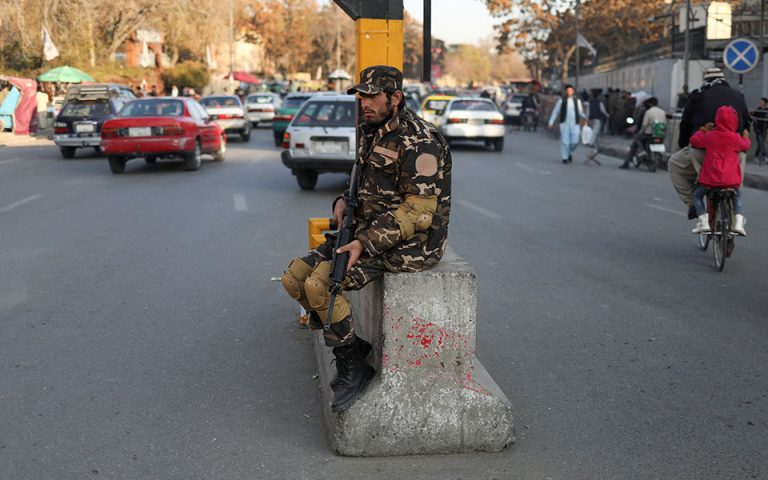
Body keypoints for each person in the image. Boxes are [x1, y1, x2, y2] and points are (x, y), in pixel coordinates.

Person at [279, 65, 452, 413]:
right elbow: (362, 181)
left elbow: (418, 213)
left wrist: (364, 243)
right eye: (362, 95)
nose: (364, 102)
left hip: (410, 245)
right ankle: (352, 346)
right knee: (295, 277)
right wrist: (343, 200)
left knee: (320, 287)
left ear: (395, 98)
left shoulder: (419, 141)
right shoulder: (372, 129)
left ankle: (352, 366)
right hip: (365, 229)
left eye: (372, 95)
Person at [668, 67, 750, 220]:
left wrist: (683, 145)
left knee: (674, 164)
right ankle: (734, 219)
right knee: (736, 182)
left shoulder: (697, 96)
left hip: (701, 149)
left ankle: (693, 203)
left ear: (706, 80)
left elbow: (685, 125)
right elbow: (746, 123)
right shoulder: (738, 96)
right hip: (734, 152)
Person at [689, 106, 750, 236]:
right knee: (737, 196)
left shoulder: (710, 135)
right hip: (730, 179)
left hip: (710, 179)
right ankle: (738, 223)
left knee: (697, 195)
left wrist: (703, 130)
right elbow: (745, 146)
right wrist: (746, 137)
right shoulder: (735, 138)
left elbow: (694, 141)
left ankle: (704, 222)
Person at [620, 97, 666, 169]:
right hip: (659, 134)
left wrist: (640, 132)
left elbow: (644, 125)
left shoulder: (648, 112)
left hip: (648, 134)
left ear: (650, 103)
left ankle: (628, 161)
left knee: (635, 142)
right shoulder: (662, 112)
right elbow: (664, 123)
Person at [547, 84, 586, 163]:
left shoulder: (577, 101)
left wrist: (584, 117)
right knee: (565, 142)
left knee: (575, 141)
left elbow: (580, 111)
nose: (569, 92)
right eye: (568, 91)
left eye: (571, 90)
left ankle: (569, 152)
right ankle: (564, 158)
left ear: (573, 91)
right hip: (564, 123)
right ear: (566, 92)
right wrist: (551, 122)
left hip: (575, 123)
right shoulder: (561, 101)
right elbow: (556, 111)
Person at [585, 88, 607, 165]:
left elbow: (587, 112)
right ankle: (593, 147)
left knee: (593, 133)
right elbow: (603, 110)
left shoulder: (589, 102)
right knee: (595, 133)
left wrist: (586, 120)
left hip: (591, 119)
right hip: (598, 119)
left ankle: (594, 148)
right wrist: (607, 115)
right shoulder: (600, 102)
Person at [751, 97, 768, 165]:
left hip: (764, 130)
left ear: (765, 103)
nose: (760, 103)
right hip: (758, 130)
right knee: (761, 143)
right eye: (760, 101)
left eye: (762, 102)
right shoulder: (758, 110)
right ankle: (766, 157)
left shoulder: (767, 110)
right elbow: (753, 116)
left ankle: (756, 157)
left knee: (760, 144)